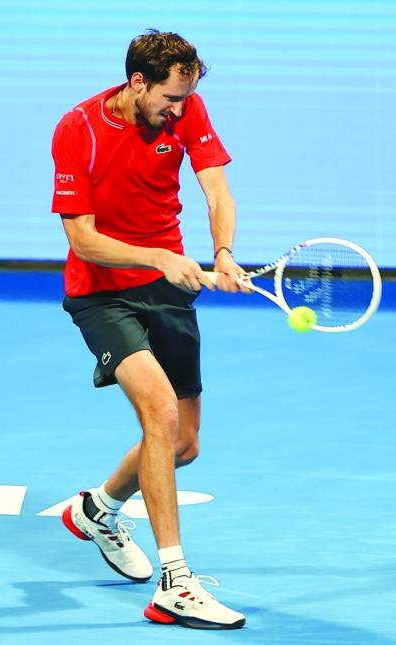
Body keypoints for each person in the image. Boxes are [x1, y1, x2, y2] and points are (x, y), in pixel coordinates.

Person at [51, 29, 248, 630]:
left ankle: (98, 509)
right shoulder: (77, 128)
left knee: (184, 443)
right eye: (170, 100)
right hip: (103, 293)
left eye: (187, 99)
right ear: (137, 83)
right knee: (159, 413)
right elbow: (81, 238)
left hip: (170, 286)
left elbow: (215, 185)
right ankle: (176, 584)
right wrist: (159, 257)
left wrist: (224, 252)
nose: (180, 112)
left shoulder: (185, 103)